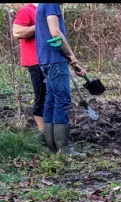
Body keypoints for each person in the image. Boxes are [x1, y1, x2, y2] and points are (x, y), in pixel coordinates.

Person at [35, 3, 86, 156]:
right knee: (62, 101)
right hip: (55, 60)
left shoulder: (42, 4)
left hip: (45, 60)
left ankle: (52, 147)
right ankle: (64, 149)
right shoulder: (51, 4)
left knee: (51, 101)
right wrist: (71, 55)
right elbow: (55, 31)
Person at [12, 3, 46, 138]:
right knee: (41, 97)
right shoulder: (27, 10)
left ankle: (53, 133)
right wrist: (39, 26)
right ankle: (44, 134)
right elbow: (17, 32)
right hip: (35, 62)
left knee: (53, 98)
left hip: (49, 61)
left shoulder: (46, 10)